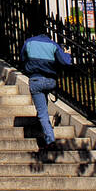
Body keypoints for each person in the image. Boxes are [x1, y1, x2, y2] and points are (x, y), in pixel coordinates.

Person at [21, 19, 72, 149]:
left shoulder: (29, 43)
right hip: (50, 80)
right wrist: (68, 54)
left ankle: (50, 139)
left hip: (36, 80)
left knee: (43, 112)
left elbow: (22, 58)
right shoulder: (53, 45)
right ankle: (43, 129)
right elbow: (65, 62)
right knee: (43, 107)